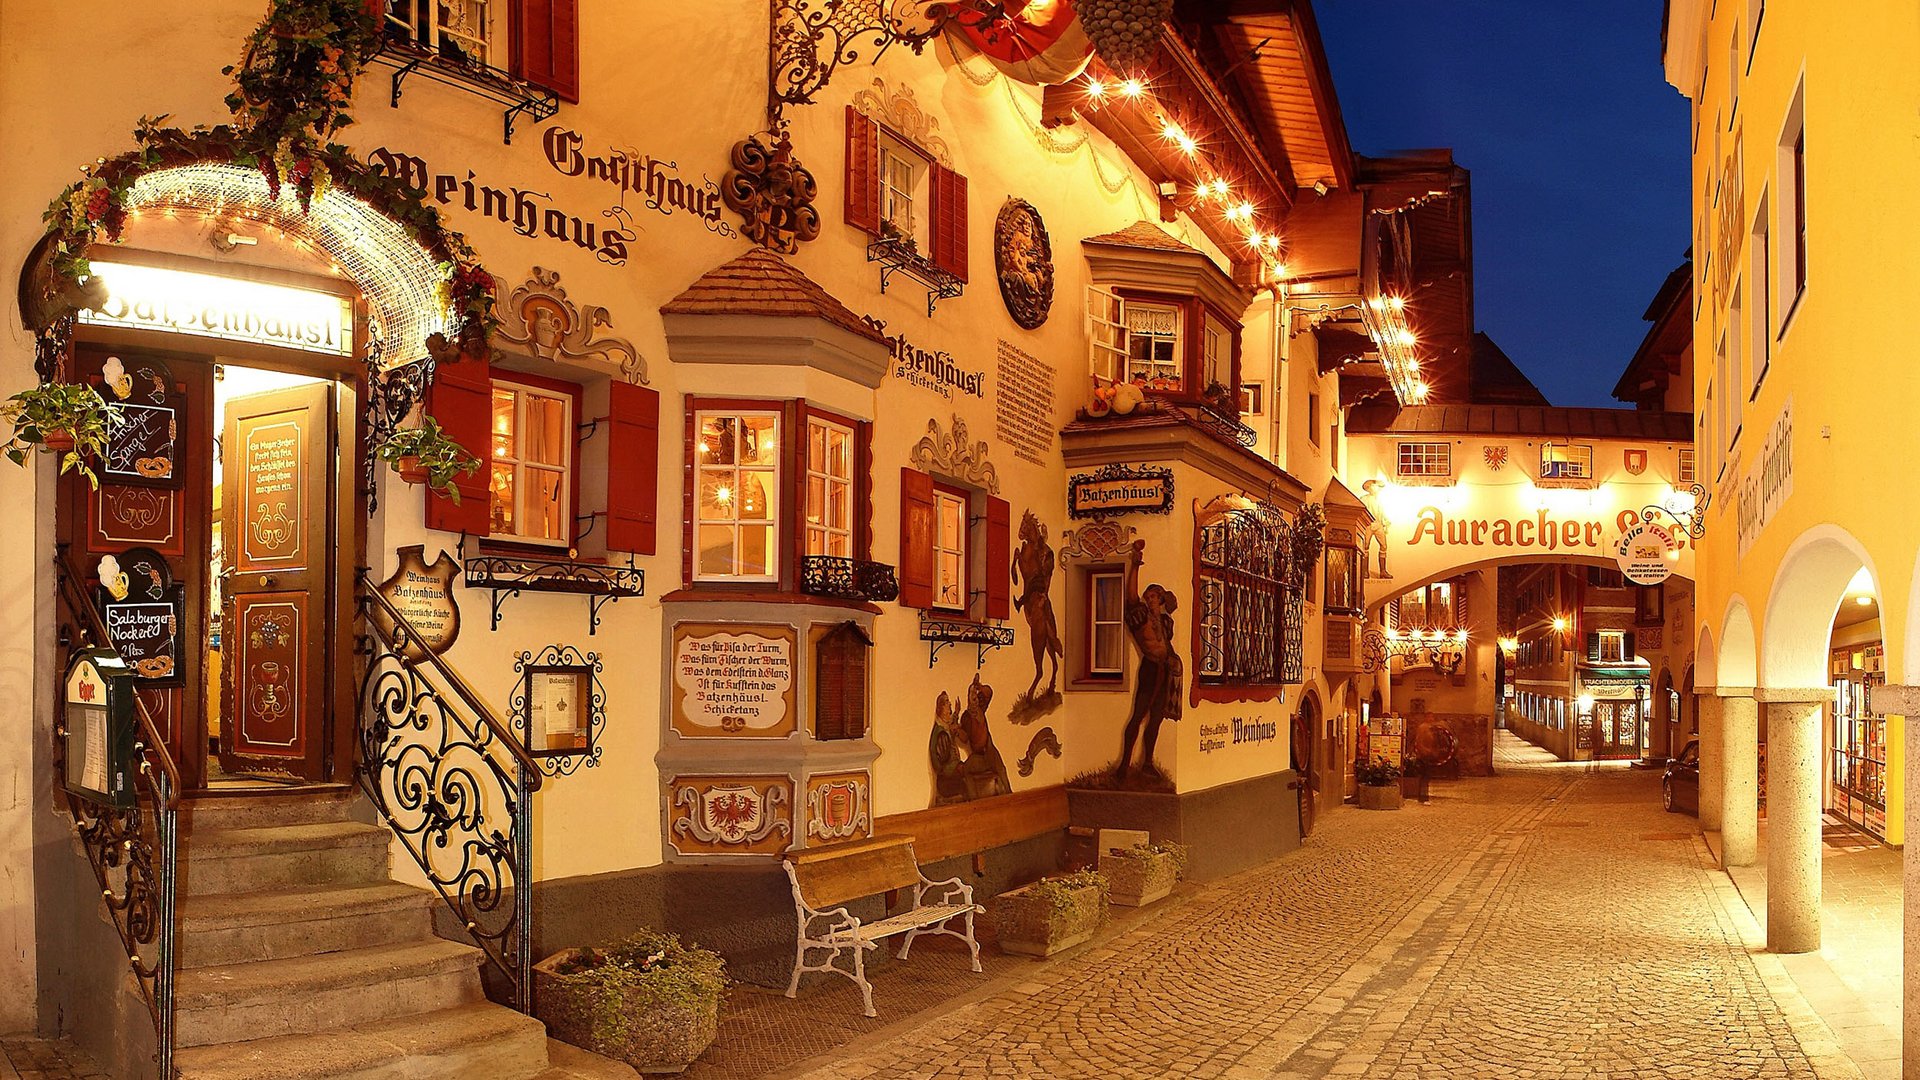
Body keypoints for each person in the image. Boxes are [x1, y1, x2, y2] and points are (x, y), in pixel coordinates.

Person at [1115, 540, 1181, 780]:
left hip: (1164, 670)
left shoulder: (1165, 622)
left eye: (1156, 597)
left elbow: (1167, 644)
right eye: (1150, 596)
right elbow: (1131, 596)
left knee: (1157, 717)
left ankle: (1147, 762)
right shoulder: (1140, 616)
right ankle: (1124, 765)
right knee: (1138, 715)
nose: (1152, 600)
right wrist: (1136, 564)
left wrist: (1174, 660)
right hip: (1150, 669)